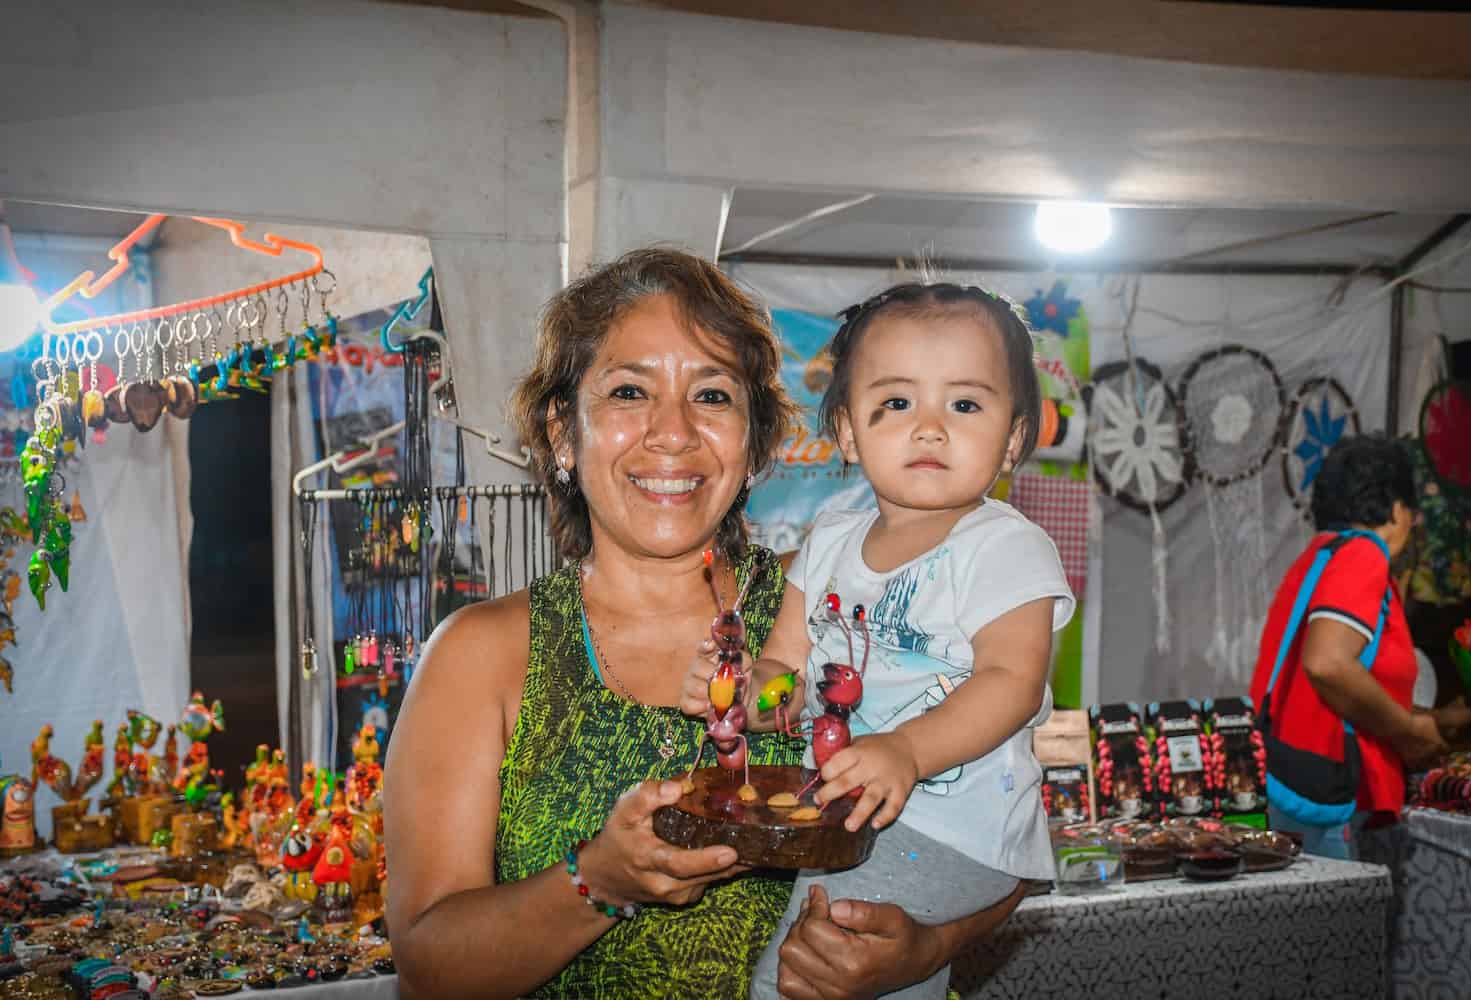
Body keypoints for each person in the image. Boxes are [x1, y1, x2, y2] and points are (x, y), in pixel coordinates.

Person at [384, 252, 1030, 999]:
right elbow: (430, 966)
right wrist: (598, 880)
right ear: (564, 432)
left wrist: (927, 948)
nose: (674, 433)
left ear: (754, 442)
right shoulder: (483, 654)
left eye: (713, 396)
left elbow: (1003, 806)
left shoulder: (836, 604)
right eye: (629, 391)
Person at [680, 283, 1074, 1000]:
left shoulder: (1006, 547)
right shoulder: (829, 542)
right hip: (857, 816)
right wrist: (741, 690)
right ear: (849, 432)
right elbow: (786, 676)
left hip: (954, 824)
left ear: (1015, 436)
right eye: (896, 403)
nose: (928, 428)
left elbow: (1013, 683)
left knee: (798, 976)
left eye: (964, 404)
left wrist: (907, 751)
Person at [1249, 434, 1471, 859]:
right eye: (1412, 513)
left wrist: (1436, 718)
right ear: (1396, 510)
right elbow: (1328, 664)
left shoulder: (1320, 557)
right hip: (1334, 799)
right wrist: (1409, 733)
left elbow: (1347, 685)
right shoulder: (1363, 556)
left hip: (1294, 780)